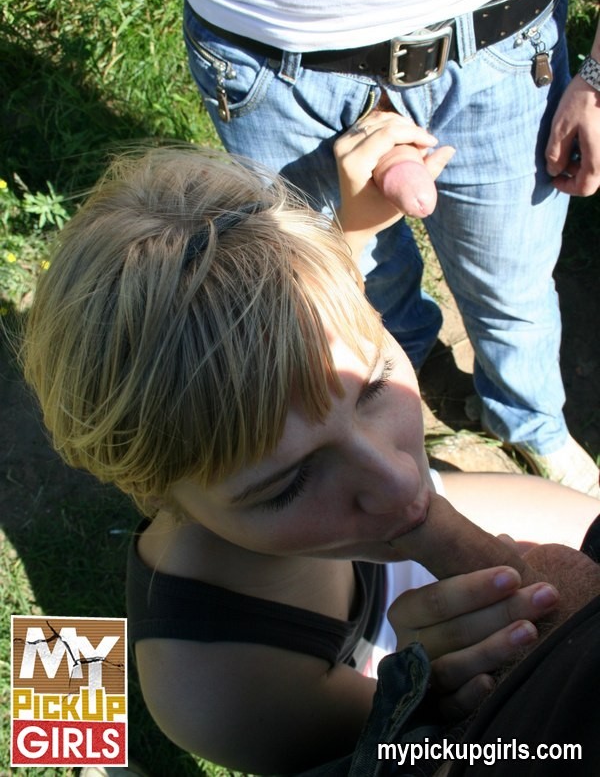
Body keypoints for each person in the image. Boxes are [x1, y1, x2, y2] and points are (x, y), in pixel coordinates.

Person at [22, 126, 600, 775]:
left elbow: (292, 339)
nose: (403, 480)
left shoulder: (366, 470)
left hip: (372, 569)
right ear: (151, 490)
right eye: (288, 483)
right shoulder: (212, 693)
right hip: (285, 647)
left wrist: (350, 231)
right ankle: (83, 745)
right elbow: (389, 753)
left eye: (375, 382)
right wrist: (426, 697)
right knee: (67, 705)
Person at [64, 0, 600, 497]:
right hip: (265, 68)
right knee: (337, 289)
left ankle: (530, 423)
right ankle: (399, 380)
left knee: (511, 283)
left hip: (504, 43)